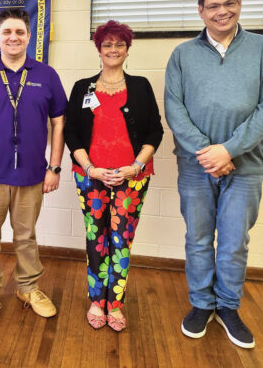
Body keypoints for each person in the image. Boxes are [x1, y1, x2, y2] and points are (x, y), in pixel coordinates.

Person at [165, 0, 263, 349]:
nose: (222, 12)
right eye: (214, 6)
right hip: (195, 165)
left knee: (234, 242)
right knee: (198, 239)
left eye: (229, 3)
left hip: (246, 164)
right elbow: (174, 109)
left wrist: (229, 150)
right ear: (201, 12)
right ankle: (202, 304)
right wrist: (208, 152)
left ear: (239, 5)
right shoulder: (182, 55)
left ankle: (228, 308)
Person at [0, 8, 67, 324]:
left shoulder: (47, 75)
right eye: (7, 32)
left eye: (19, 32)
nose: (13, 37)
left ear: (29, 36)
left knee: (26, 236)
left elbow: (58, 123)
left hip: (32, 174)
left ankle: (28, 288)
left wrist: (54, 167)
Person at [63, 20, 163, 331]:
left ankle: (115, 304)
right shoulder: (83, 87)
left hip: (132, 177)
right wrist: (90, 168)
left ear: (128, 49)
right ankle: (97, 301)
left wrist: (136, 166)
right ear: (99, 49)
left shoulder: (141, 86)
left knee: (121, 239)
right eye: (107, 44)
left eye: (120, 44)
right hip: (90, 175)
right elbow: (71, 132)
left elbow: (155, 131)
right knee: (96, 238)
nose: (113, 49)